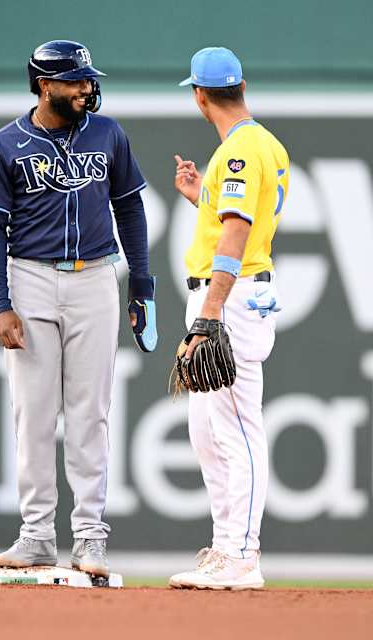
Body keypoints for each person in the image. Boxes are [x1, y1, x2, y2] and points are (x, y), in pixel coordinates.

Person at [0, 40, 157, 578]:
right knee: (33, 413)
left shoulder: (107, 133)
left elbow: (130, 207)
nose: (86, 87)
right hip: (29, 276)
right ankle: (36, 535)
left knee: (90, 414)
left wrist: (140, 283)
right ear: (44, 85)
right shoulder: (6, 144)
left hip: (96, 275)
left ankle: (91, 537)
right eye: (75, 80)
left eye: (87, 79)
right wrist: (1, 305)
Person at [169, 47, 289, 590]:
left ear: (199, 95)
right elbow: (236, 218)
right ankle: (225, 548)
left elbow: (239, 232)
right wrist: (203, 197)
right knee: (205, 429)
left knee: (237, 427)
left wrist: (211, 310)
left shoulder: (241, 151)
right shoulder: (261, 144)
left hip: (230, 297)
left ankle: (243, 554)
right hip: (228, 292)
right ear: (243, 85)